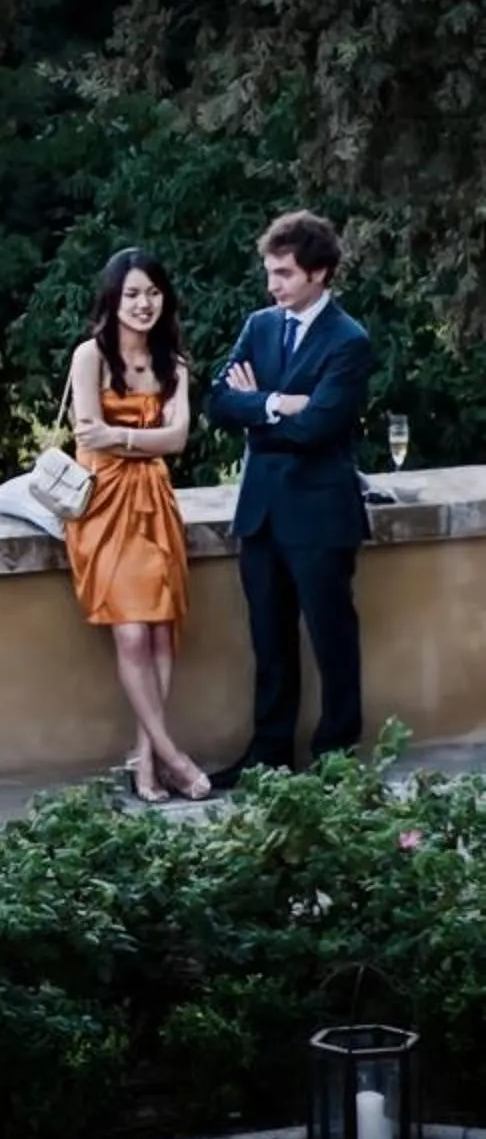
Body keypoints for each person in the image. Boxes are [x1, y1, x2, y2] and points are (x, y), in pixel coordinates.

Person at [205, 209, 374, 779]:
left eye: (284, 274)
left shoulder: (349, 341)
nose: (272, 285)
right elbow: (219, 403)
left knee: (332, 640)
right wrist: (278, 403)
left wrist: (261, 410)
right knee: (269, 644)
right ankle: (269, 757)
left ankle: (335, 760)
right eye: (270, 273)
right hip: (261, 514)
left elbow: (321, 427)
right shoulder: (259, 326)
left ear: (320, 273)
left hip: (321, 515)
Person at [63, 250, 212, 804]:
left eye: (152, 293)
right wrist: (139, 441)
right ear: (113, 299)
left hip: (154, 503)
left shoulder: (172, 364)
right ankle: (172, 755)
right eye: (132, 294)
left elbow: (176, 440)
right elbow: (86, 431)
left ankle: (146, 759)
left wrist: (122, 439)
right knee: (129, 630)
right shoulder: (90, 357)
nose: (143, 304)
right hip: (104, 506)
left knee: (159, 630)